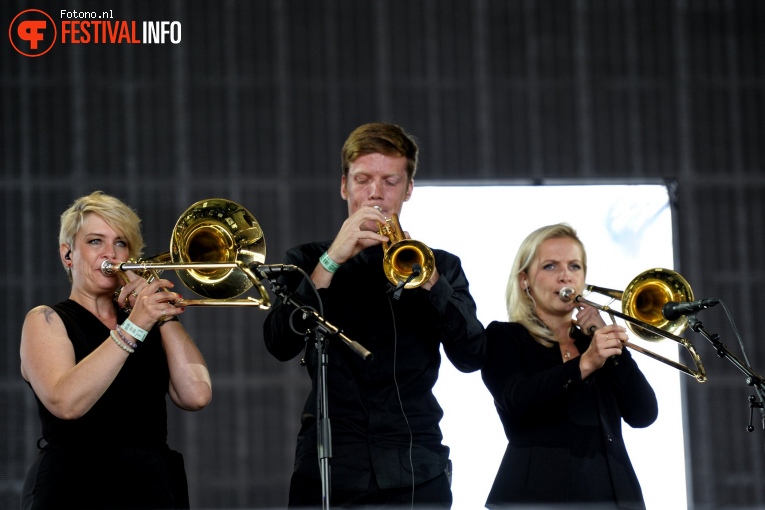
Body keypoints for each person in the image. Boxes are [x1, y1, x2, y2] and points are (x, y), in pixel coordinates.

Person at [263, 122, 486, 508]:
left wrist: (431, 282)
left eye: (390, 181)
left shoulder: (442, 267)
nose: (375, 194)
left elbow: (472, 355)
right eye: (363, 180)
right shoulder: (306, 260)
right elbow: (279, 342)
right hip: (329, 469)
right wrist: (330, 261)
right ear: (344, 186)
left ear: (409, 189)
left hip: (416, 467)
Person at [20, 191, 212, 510]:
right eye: (96, 241)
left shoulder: (145, 319)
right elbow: (65, 402)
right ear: (68, 254)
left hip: (151, 488)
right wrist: (135, 326)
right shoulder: (45, 319)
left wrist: (160, 314)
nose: (111, 253)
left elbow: (196, 395)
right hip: (75, 486)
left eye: (121, 243)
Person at [480, 223, 658, 510]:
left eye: (574, 266)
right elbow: (516, 399)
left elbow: (644, 414)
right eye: (550, 266)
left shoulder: (595, 343)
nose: (565, 276)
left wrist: (617, 353)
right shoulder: (505, 336)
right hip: (534, 497)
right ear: (525, 280)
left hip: (612, 495)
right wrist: (585, 364)